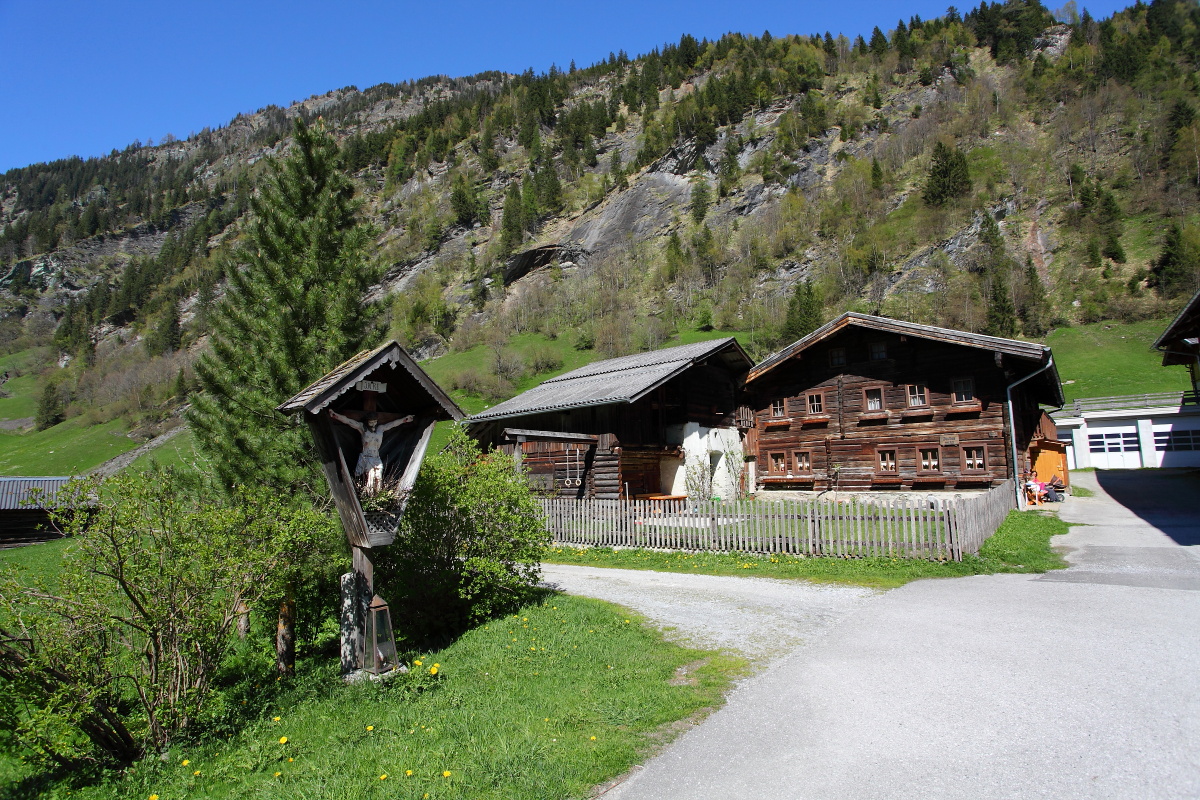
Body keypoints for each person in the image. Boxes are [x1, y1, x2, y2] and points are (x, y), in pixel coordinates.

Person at [328, 409, 413, 493]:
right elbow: (349, 421)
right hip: (367, 457)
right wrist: (336, 415)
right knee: (371, 477)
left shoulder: (380, 428)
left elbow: (392, 424)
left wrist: (404, 420)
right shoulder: (363, 428)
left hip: (376, 457)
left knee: (379, 477)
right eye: (371, 422)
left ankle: (378, 494)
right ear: (367, 421)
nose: (373, 424)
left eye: (375, 422)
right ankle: (370, 494)